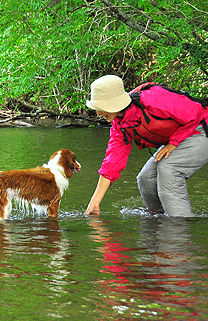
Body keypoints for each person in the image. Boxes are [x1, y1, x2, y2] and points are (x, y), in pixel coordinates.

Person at [85, 75, 208, 217]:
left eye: (100, 108)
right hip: (180, 137)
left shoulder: (153, 97)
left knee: (168, 169)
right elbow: (112, 163)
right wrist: (95, 200)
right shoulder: (120, 124)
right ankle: (157, 222)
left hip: (201, 128)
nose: (98, 113)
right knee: (146, 178)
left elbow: (197, 112)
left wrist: (174, 142)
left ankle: (179, 227)